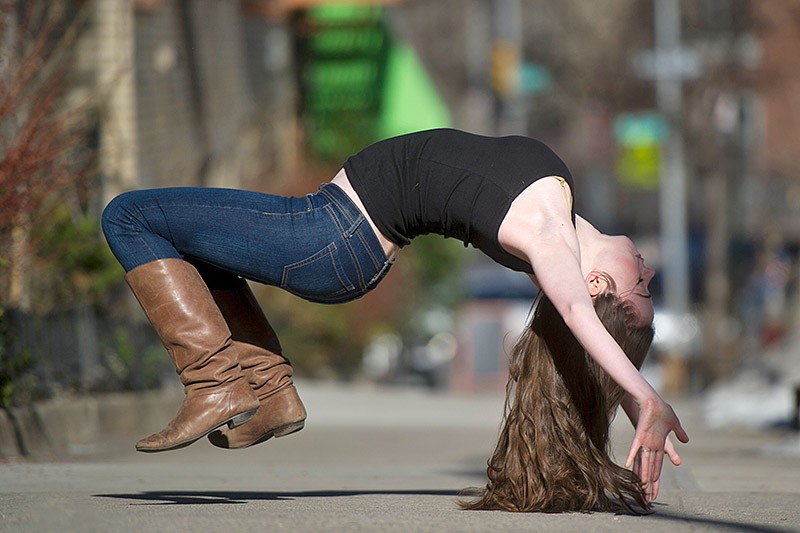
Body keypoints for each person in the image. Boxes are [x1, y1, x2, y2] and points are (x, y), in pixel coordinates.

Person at [101, 128, 688, 511]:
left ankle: (213, 383)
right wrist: (627, 389)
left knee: (129, 216)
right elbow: (577, 324)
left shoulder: (549, 238)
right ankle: (270, 393)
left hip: (332, 235)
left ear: (597, 284)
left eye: (640, 288)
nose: (650, 272)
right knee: (191, 239)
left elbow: (577, 315)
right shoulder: (560, 215)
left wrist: (643, 397)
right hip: (335, 238)